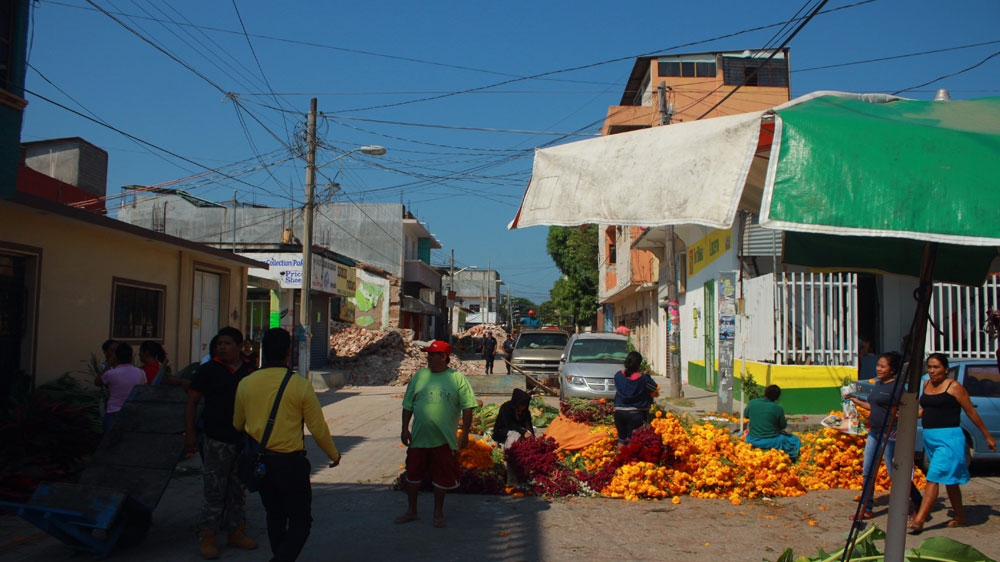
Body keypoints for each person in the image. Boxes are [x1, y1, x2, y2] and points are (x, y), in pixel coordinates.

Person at [233, 328, 341, 562]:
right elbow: (317, 427)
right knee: (301, 522)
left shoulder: (246, 383)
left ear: (263, 351)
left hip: (260, 463)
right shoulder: (299, 385)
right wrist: (333, 454)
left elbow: (237, 423)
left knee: (275, 515)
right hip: (290, 464)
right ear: (288, 353)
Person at [184, 327, 258, 559]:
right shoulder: (208, 371)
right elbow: (192, 402)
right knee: (214, 490)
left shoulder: (250, 370)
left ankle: (236, 531)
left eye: (227, 343)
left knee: (238, 489)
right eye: (219, 344)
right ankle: (208, 536)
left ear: (239, 346)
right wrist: (190, 434)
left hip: (243, 439)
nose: (222, 347)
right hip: (216, 440)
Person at [908, 353, 997, 534]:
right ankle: (960, 516)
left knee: (933, 477)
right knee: (950, 480)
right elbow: (925, 410)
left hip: (949, 439)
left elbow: (971, 411)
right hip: (930, 438)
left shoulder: (954, 387)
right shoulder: (926, 385)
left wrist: (987, 436)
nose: (932, 371)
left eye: (936, 367)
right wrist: (905, 415)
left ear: (946, 369)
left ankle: (920, 520)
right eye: (930, 367)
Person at [397, 340, 477, 529]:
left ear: (444, 357)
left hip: (444, 439)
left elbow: (468, 407)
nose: (429, 359)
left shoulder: (457, 378)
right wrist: (404, 428)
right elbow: (408, 404)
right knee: (413, 474)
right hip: (419, 437)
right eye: (428, 355)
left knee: (441, 476)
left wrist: (464, 433)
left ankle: (438, 513)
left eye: (432, 355)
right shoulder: (419, 376)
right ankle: (412, 510)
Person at [847, 351, 922, 519]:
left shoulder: (897, 387)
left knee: (894, 472)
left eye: (883, 366)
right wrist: (856, 401)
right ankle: (866, 508)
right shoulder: (879, 384)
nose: (878, 369)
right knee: (868, 471)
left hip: (891, 433)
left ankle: (917, 501)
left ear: (892, 369)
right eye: (878, 365)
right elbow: (875, 406)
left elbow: (908, 408)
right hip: (874, 432)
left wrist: (901, 415)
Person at [744, 384, 801, 461]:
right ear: (777, 397)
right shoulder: (777, 409)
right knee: (794, 440)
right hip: (772, 441)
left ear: (765, 392)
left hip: (752, 439)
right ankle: (792, 459)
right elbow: (782, 426)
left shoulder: (752, 403)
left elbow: (746, 415)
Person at [98, 341, 145, 432]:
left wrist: (109, 364)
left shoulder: (111, 373)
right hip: (133, 411)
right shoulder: (141, 372)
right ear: (131, 357)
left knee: (110, 442)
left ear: (116, 356)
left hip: (114, 411)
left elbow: (98, 382)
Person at [613, 351, 658, 444]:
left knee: (622, 440)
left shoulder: (618, 376)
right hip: (636, 413)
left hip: (619, 412)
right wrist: (647, 376)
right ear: (638, 365)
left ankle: (620, 458)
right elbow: (654, 388)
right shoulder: (643, 379)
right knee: (634, 442)